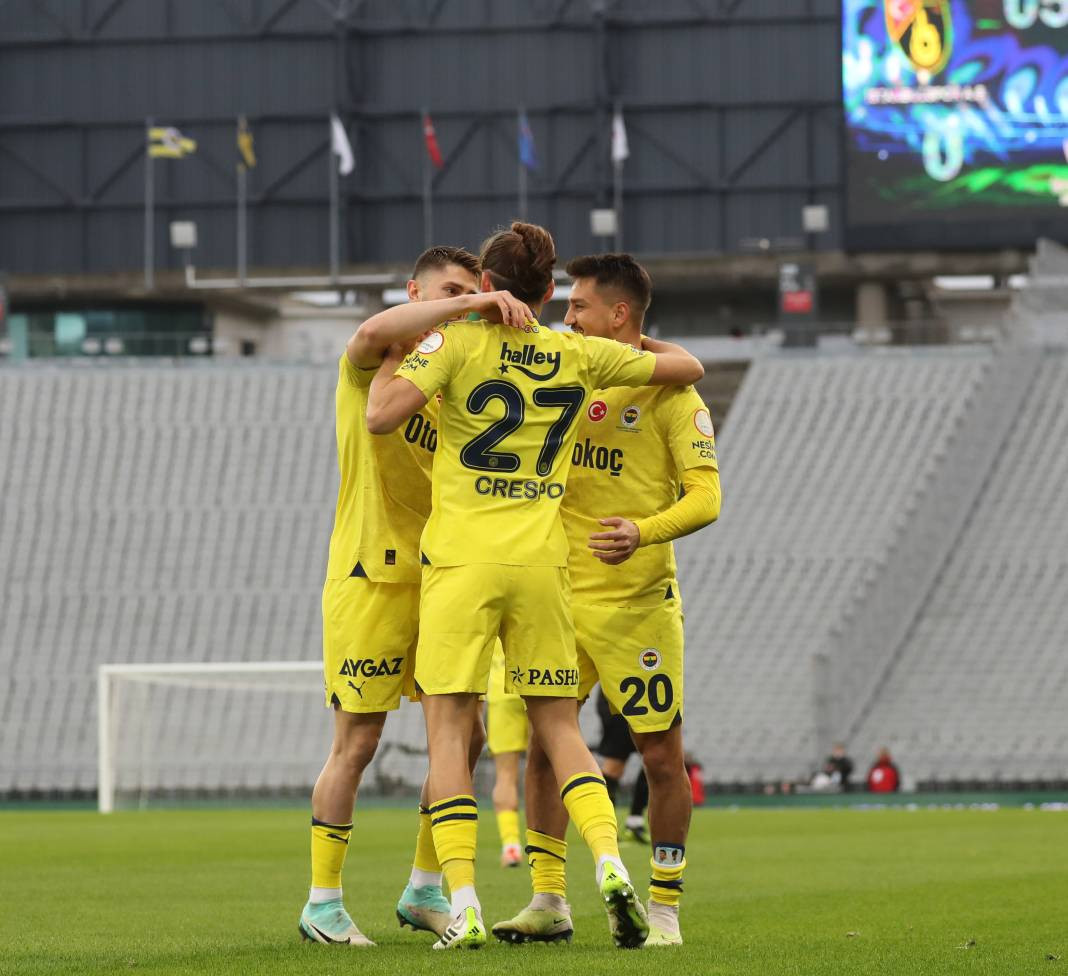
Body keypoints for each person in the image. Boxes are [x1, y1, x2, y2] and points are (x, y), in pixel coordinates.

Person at [363, 221, 704, 949]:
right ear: (549, 294)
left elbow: (382, 414)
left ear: (487, 288)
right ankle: (609, 863)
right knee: (560, 733)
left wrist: (405, 351)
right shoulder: (575, 351)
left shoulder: (454, 343)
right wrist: (635, 345)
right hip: (545, 567)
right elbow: (688, 370)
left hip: (462, 562)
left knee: (451, 733)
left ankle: (462, 903)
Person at [492, 252, 720, 948]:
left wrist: (643, 531)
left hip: (637, 604)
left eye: (580, 308)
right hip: (558, 595)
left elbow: (708, 496)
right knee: (541, 748)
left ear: (620, 315)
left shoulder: (673, 396)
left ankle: (666, 911)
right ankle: (549, 900)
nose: (568, 318)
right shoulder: (567, 370)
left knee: (659, 755)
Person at [299, 246, 484, 947]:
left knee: (462, 736)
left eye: (469, 290)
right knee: (358, 743)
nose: (458, 300)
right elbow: (376, 331)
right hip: (368, 578)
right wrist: (471, 306)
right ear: (416, 291)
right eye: (447, 289)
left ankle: (423, 889)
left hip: (437, 579)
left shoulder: (441, 386)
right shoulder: (367, 368)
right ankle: (322, 902)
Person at [486, 644, 528, 867]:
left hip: (501, 687)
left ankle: (511, 847)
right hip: (539, 679)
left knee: (505, 775)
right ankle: (546, 848)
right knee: (545, 769)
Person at [594, 687, 651, 843]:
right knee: (614, 767)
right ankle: (603, 827)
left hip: (644, 701)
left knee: (652, 761)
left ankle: (635, 821)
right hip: (618, 703)